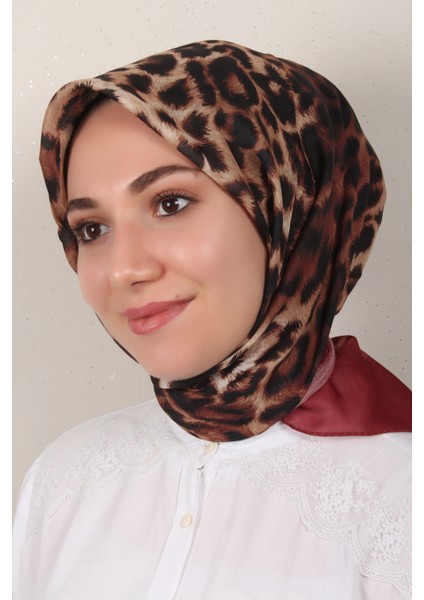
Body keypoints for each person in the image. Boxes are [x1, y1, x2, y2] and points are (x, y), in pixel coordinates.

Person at [13, 40, 411, 599]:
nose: (123, 269)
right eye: (91, 229)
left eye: (170, 203)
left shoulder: (402, 495)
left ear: (289, 206)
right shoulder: (63, 479)